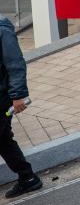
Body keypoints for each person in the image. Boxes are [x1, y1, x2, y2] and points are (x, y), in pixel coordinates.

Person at [0, 16, 41, 199]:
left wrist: (18, 95)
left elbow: (15, 63)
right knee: (3, 139)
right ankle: (27, 177)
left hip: (2, 96)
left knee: (2, 138)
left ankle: (28, 177)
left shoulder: (2, 30)